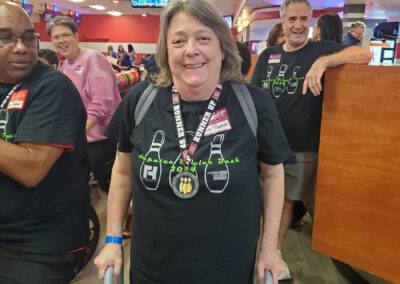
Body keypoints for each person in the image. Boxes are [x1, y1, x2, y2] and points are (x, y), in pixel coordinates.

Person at [94, 0, 296, 283]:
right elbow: (122, 172)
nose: (191, 50)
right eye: (178, 41)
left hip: (229, 268)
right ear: (165, 50)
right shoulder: (140, 100)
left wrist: (270, 247)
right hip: (152, 269)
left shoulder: (253, 104)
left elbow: (273, 176)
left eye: (203, 38)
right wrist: (113, 239)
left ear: (223, 47)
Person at [251, 0, 372, 280]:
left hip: (301, 148)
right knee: (254, 200)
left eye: (304, 19)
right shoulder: (268, 55)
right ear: (282, 22)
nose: (298, 25)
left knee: (284, 203)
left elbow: (364, 54)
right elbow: (253, 95)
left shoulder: (323, 49)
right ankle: (253, 249)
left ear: (311, 21)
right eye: (292, 19)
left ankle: (274, 253)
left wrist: (323, 62)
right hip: (261, 145)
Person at [0, 2, 89, 283]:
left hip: (33, 248)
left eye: (28, 37)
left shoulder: (52, 87)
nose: (21, 47)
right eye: (5, 37)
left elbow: (30, 168)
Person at [47, 16, 121, 193]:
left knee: (110, 189)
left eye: (65, 35)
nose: (61, 41)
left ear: (76, 36)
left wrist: (77, 133)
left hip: (101, 140)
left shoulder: (93, 59)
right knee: (75, 187)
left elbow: (102, 103)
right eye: (56, 37)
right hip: (80, 139)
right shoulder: (64, 65)